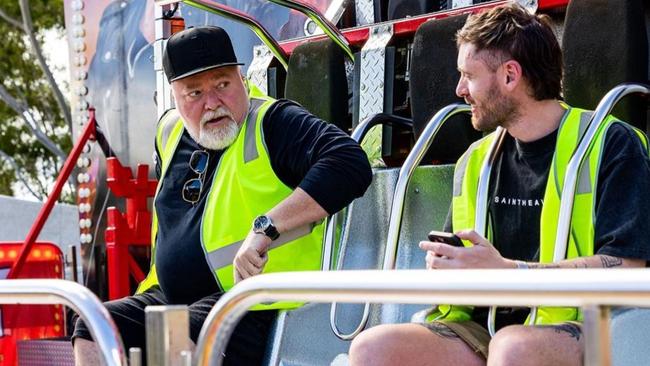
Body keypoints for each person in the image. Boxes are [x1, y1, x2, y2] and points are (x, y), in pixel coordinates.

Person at [349, 4, 650, 366]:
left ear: (510, 76)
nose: (459, 89)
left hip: (591, 321)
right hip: (486, 327)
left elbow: (630, 268)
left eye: (468, 75)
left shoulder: (612, 143)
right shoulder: (474, 161)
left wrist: (510, 273)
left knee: (512, 348)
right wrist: (452, 266)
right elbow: (470, 265)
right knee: (372, 349)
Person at [72, 25, 372, 365]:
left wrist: (266, 228)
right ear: (175, 97)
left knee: (176, 334)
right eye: (194, 93)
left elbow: (349, 163)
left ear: (241, 79)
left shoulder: (272, 121)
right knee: (93, 325)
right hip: (171, 297)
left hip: (252, 300)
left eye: (223, 84)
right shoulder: (169, 131)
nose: (212, 103)